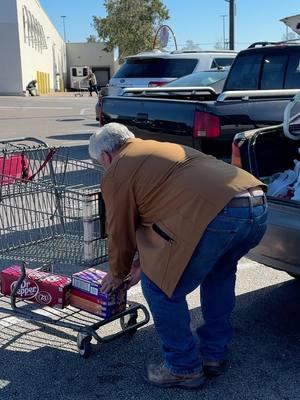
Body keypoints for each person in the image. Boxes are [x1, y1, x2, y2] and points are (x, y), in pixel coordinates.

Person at [88, 122, 268, 389]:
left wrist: (117, 273)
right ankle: (213, 356)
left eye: (100, 164)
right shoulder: (158, 149)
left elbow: (119, 229)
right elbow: (158, 217)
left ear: (105, 157)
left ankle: (183, 367)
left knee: (160, 287)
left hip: (218, 214)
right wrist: (140, 263)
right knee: (218, 276)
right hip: (256, 203)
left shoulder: (117, 169)